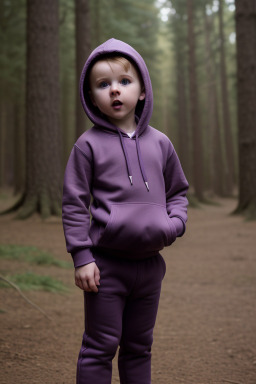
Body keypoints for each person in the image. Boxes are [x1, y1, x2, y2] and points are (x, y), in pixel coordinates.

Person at [62, 38, 189, 384]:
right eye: (103, 85)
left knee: (139, 347)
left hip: (150, 268)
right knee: (99, 346)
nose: (115, 91)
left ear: (143, 91)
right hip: (106, 268)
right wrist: (82, 257)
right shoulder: (87, 146)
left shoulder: (161, 143)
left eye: (124, 81)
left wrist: (174, 224)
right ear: (92, 98)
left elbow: (178, 191)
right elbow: (74, 203)